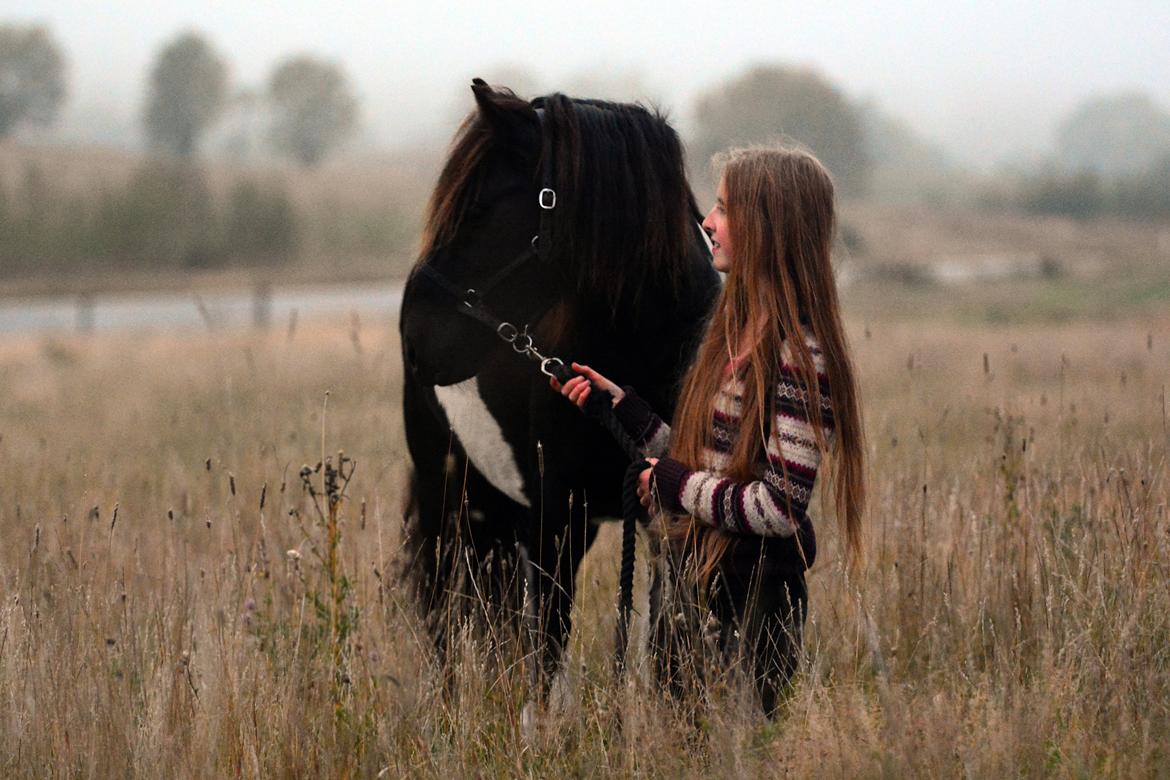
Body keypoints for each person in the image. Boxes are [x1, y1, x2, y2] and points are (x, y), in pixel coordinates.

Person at [550, 145, 865, 714]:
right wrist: (624, 412)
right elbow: (713, 469)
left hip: (749, 604)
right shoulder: (735, 333)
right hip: (694, 585)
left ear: (767, 227)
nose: (707, 224)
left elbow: (777, 508)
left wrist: (671, 485)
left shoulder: (797, 356)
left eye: (723, 209)